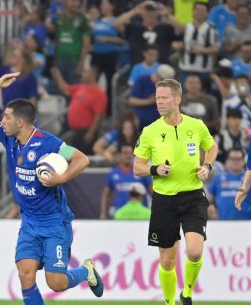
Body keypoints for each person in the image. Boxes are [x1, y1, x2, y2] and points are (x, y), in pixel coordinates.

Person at [0, 72, 104, 304]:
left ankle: (86, 271)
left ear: (20, 122)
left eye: (6, 117)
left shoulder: (48, 142)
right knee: (25, 274)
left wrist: (61, 177)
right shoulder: (10, 139)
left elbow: (82, 159)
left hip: (54, 222)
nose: (2, 121)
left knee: (56, 283)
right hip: (29, 221)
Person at [133, 78, 218, 305]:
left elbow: (212, 147)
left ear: (177, 99)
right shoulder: (150, 131)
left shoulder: (196, 125)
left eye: (164, 97)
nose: (159, 102)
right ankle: (170, 302)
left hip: (193, 196)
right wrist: (155, 169)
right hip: (164, 199)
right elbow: (137, 166)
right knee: (168, 262)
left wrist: (207, 166)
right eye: (157, 97)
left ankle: (187, 293)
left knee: (194, 252)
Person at [100, 144, 152, 219]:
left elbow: (152, 192)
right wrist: (103, 214)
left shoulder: (141, 171)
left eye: (130, 153)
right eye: (125, 153)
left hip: (141, 216)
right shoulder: (113, 173)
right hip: (120, 216)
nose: (128, 156)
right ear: (119, 155)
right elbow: (106, 194)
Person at [208, 148, 251, 220]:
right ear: (227, 160)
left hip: (248, 222)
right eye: (232, 159)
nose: (235, 162)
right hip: (222, 223)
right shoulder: (218, 178)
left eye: (238, 159)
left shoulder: (249, 179)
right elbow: (207, 199)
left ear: (244, 161)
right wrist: (209, 207)